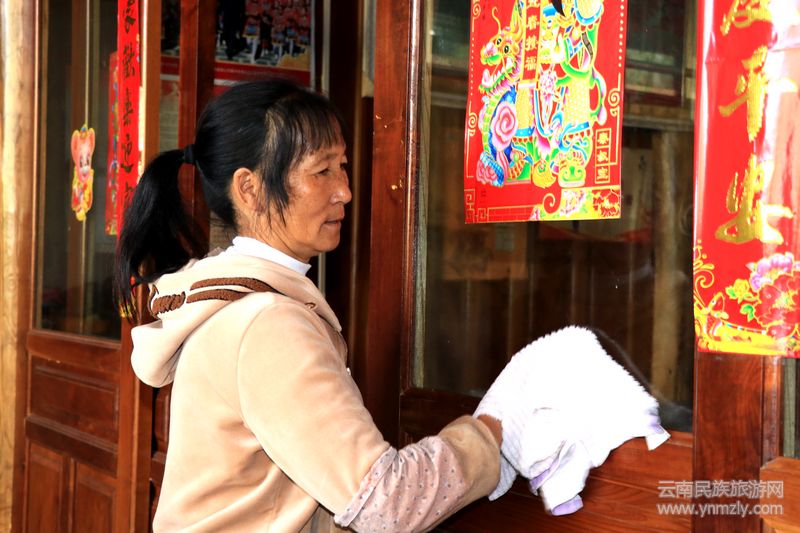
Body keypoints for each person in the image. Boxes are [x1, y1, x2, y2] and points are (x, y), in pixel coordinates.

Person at [115, 80, 514, 532]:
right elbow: (387, 504)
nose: (344, 191)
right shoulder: (267, 325)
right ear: (249, 189)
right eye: (321, 171)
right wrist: (495, 431)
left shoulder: (240, 302)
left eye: (342, 166)